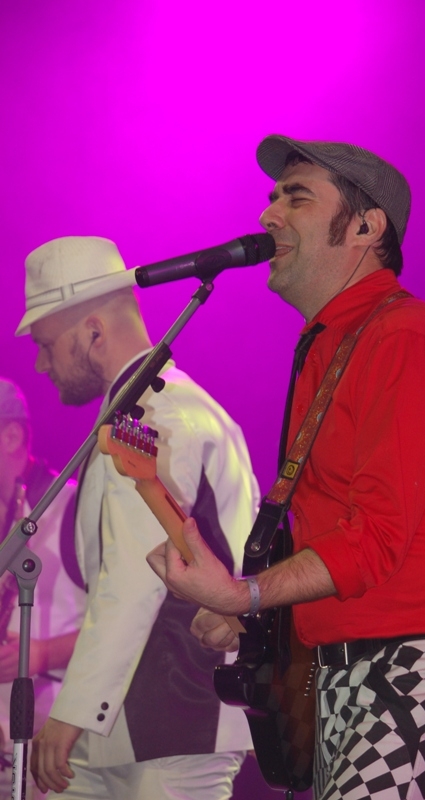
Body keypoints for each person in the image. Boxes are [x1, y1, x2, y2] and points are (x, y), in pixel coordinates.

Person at [147, 135, 425, 800]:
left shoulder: (406, 339)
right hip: (347, 668)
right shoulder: (336, 342)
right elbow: (331, 533)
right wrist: (261, 616)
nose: (268, 216)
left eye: (297, 198)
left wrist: (246, 595)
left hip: (423, 664)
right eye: (273, 198)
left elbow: (374, 538)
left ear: (367, 228)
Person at [15, 236, 259, 799]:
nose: (40, 364)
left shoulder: (156, 412)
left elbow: (135, 576)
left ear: (93, 332)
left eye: (47, 344)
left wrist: (71, 711)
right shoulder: (153, 405)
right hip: (138, 723)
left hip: (174, 719)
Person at [0, 377, 85, 800]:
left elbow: (130, 620)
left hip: (54, 754)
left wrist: (43, 653)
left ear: (12, 436)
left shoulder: (71, 508)